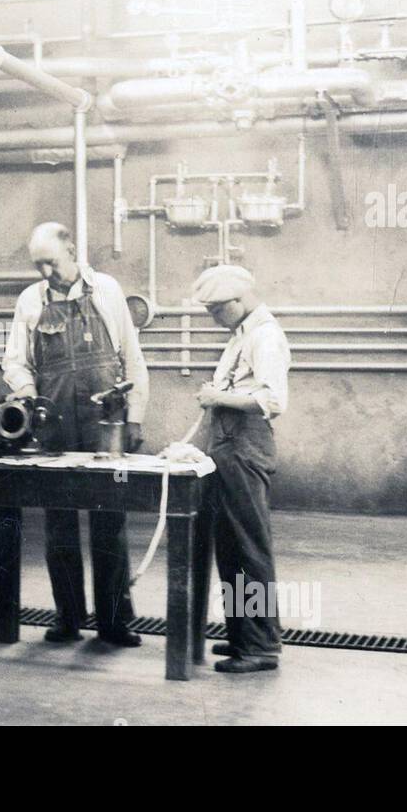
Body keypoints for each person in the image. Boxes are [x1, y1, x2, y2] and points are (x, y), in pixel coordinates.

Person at [2, 222, 148, 647]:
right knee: (59, 524)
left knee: (109, 522)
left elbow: (131, 357)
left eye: (51, 261)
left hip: (106, 423)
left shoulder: (106, 290)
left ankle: (115, 621)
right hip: (56, 424)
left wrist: (135, 416)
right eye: (38, 265)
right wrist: (27, 393)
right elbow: (15, 362)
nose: (45, 271)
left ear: (71, 250)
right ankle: (68, 618)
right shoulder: (31, 300)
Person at [170, 264, 291, 673]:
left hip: (246, 445)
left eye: (216, 310)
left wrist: (218, 398)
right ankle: (243, 637)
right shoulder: (242, 335)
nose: (213, 318)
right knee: (231, 547)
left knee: (249, 547)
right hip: (227, 447)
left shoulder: (265, 335)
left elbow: (273, 400)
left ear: (238, 301)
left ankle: (260, 646)